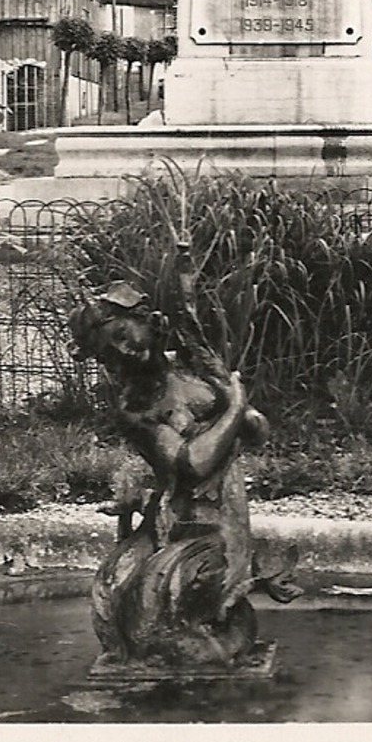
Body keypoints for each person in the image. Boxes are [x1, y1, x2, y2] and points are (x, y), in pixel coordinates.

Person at [69, 283, 296, 670]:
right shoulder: (134, 406)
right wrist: (236, 407)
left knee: (198, 601)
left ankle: (201, 640)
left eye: (123, 334)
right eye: (109, 353)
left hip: (220, 510)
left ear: (145, 320)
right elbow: (193, 463)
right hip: (183, 518)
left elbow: (257, 431)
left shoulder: (190, 365)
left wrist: (243, 412)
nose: (124, 350)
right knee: (136, 605)